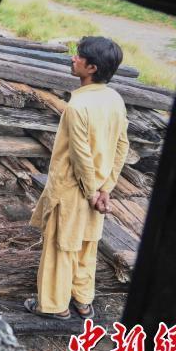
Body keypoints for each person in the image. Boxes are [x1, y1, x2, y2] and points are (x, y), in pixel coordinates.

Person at [24, 36, 130, 320]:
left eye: (79, 56)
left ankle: (53, 305)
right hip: (97, 192)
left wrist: (93, 191)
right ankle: (83, 301)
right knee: (86, 245)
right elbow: (122, 146)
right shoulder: (114, 99)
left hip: (73, 191)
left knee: (61, 246)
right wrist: (106, 188)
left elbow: (81, 157)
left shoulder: (77, 107)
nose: (73, 58)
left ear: (92, 68)